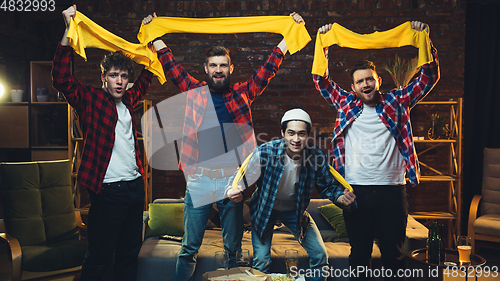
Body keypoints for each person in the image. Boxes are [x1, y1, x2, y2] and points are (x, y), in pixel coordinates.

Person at [142, 12, 305, 281]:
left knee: (233, 249)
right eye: (214, 65)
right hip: (200, 181)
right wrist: (155, 35)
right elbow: (172, 68)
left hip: (232, 181)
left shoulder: (242, 93)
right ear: (206, 69)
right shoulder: (194, 91)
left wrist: (289, 36)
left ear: (230, 69)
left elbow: (267, 71)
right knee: (189, 249)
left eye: (223, 65)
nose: (219, 70)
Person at [312, 21, 440, 279]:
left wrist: (425, 39)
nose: (366, 84)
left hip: (392, 191)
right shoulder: (345, 102)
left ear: (378, 80)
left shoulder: (397, 100)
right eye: (360, 81)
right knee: (359, 254)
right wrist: (323, 44)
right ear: (353, 87)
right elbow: (320, 80)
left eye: (370, 79)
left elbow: (428, 77)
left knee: (393, 255)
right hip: (355, 191)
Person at [52, 5, 153, 281]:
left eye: (123, 76)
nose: (119, 81)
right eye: (113, 75)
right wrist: (67, 33)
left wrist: (152, 34)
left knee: (128, 256)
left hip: (134, 189)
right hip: (108, 192)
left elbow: (150, 71)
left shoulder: (131, 99)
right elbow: (61, 79)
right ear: (103, 78)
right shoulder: (91, 99)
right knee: (99, 258)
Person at [227, 108, 356, 281]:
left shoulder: (316, 156)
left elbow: (328, 186)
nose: (296, 139)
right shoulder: (265, 152)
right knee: (261, 261)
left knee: (320, 255)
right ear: (282, 133)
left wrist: (340, 197)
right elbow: (242, 177)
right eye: (291, 133)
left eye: (301, 134)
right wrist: (232, 190)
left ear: (308, 135)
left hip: (295, 212)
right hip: (264, 211)